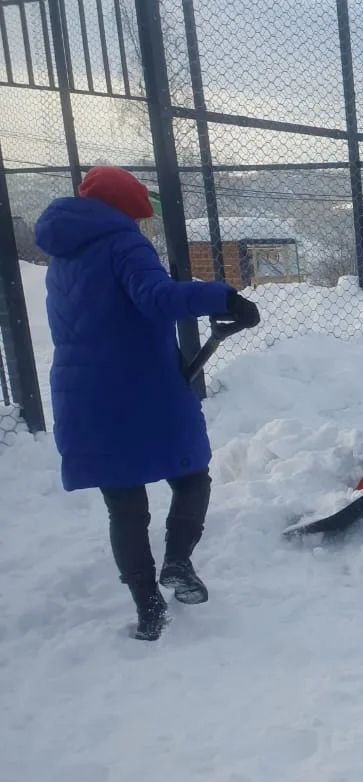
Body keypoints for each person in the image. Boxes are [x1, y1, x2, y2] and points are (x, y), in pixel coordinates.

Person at [34, 166, 259, 641]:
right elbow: (157, 298)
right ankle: (177, 561)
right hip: (141, 387)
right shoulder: (123, 243)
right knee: (191, 474)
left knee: (124, 504)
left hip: (84, 393)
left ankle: (148, 607)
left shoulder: (63, 254)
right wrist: (222, 296)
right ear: (125, 210)